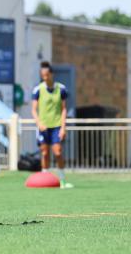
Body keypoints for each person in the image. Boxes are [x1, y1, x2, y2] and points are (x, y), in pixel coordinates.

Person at [31, 61, 73, 189]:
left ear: (51, 74)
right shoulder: (38, 89)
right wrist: (39, 123)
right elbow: (33, 109)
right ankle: (45, 179)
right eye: (43, 75)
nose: (45, 77)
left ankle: (62, 180)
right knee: (44, 153)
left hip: (56, 126)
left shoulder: (61, 89)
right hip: (43, 126)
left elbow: (64, 109)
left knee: (58, 152)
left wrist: (63, 127)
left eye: (47, 75)